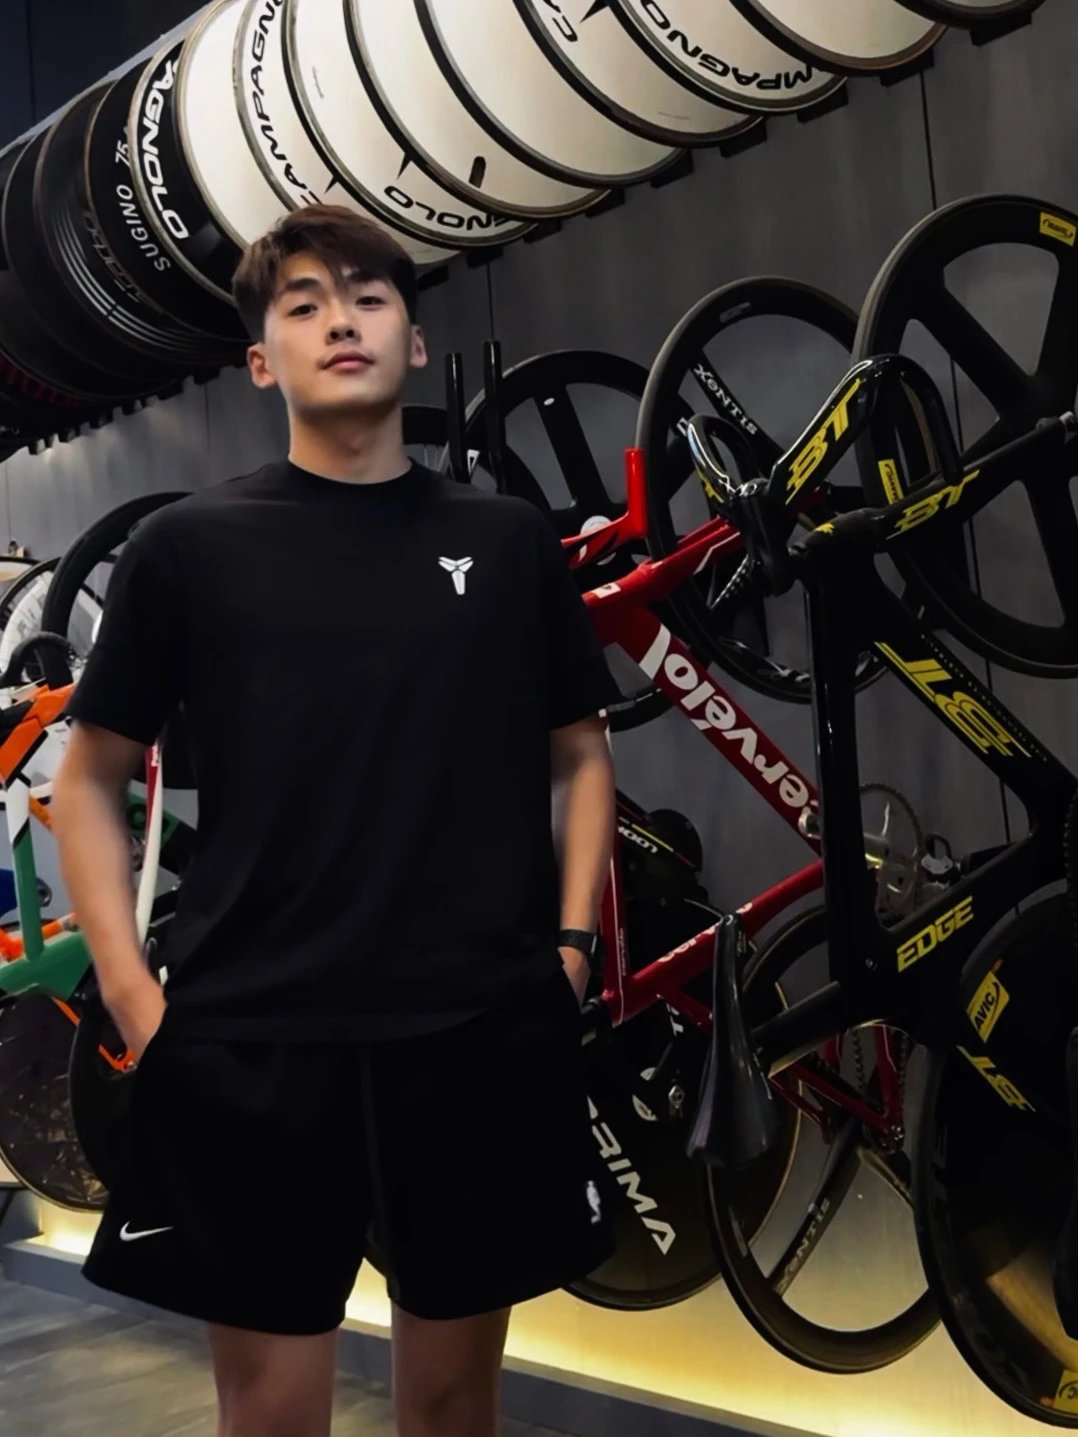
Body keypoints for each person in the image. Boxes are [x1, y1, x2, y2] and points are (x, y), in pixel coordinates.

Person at [52, 204, 617, 1437]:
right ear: (262, 361)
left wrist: (571, 951)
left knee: (455, 1407)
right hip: (253, 1036)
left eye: (367, 297)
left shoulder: (505, 541)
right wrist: (135, 998)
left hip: (474, 1030)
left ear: (413, 340)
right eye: (302, 305)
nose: (339, 322)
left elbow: (580, 755)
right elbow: (86, 781)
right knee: (268, 1415)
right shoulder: (185, 549)